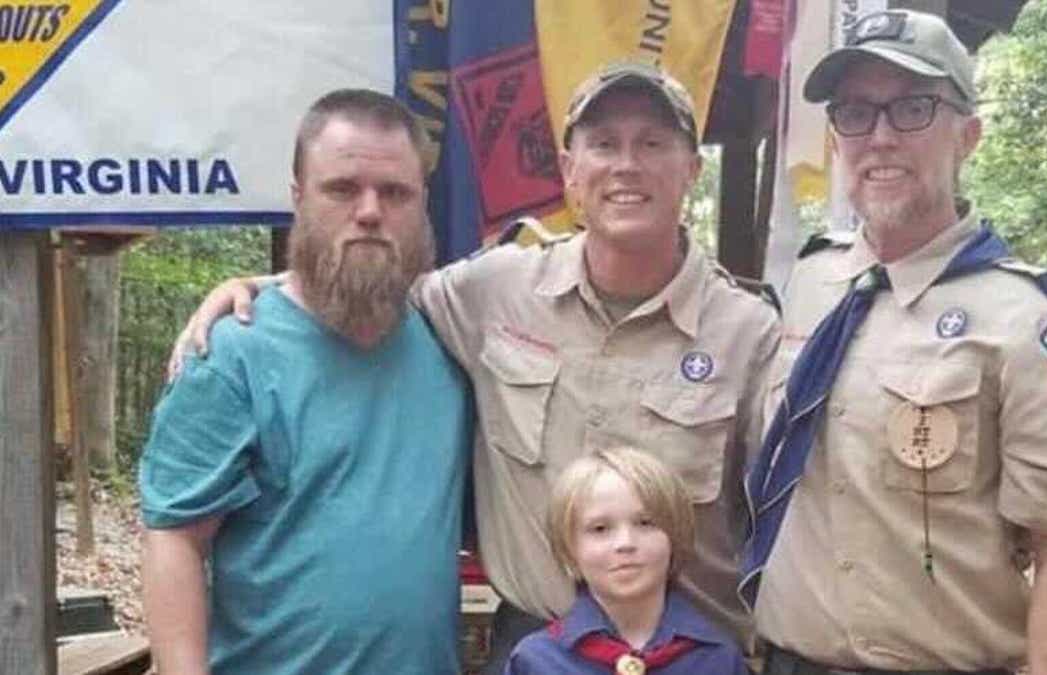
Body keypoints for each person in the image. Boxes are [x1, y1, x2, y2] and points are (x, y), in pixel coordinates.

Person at [169, 61, 780, 669]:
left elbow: (785, 523)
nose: (626, 165)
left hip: (689, 656)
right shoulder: (493, 291)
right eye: (603, 145)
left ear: (693, 170)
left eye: (652, 143)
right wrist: (264, 286)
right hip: (537, 651)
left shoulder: (750, 336)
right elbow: (367, 274)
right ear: (570, 171)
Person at [742, 10, 1047, 675]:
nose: (879, 137)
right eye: (854, 112)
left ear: (968, 134)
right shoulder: (810, 286)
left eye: (912, 107)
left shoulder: (1032, 323)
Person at [140, 90, 473, 674]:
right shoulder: (232, 353)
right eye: (342, 189)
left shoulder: (454, 339)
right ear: (299, 198)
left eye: (394, 192)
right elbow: (175, 540)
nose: (369, 210)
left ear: (422, 203)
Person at [504, 447, 748, 674]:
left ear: (675, 535)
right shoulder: (537, 660)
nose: (625, 543)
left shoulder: (718, 658)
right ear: (569, 548)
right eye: (600, 529)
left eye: (646, 523)